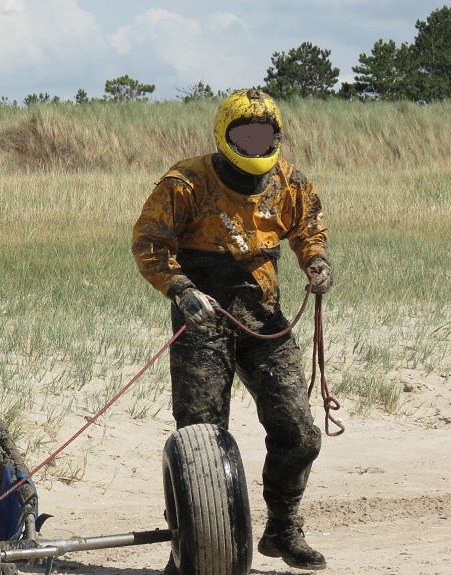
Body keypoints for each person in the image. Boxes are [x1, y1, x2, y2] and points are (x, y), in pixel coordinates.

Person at [132, 88, 333, 571]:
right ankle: (191, 550)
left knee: (300, 434)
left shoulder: (289, 181)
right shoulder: (186, 182)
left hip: (264, 318)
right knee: (199, 441)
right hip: (202, 320)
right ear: (225, 135)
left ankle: (283, 528)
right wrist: (181, 289)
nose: (256, 145)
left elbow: (309, 230)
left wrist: (317, 262)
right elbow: (150, 243)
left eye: (264, 135)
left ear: (277, 137)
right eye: (245, 135)